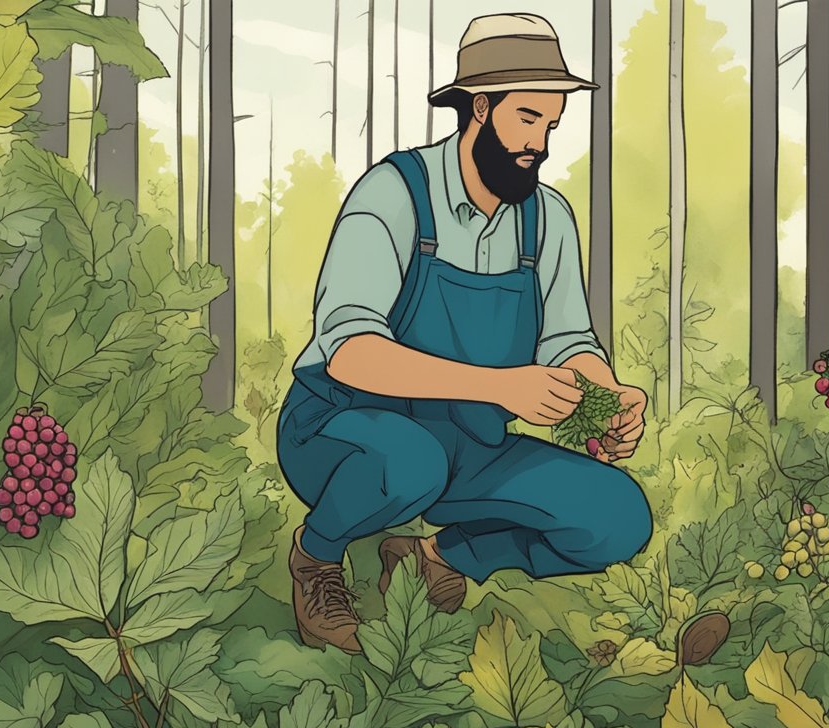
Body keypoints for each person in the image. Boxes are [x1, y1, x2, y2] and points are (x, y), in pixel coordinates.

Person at [276, 12, 728, 665]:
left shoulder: (548, 221)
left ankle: (435, 556)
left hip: (469, 443)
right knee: (409, 462)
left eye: (550, 125)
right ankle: (316, 558)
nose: (539, 143)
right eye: (526, 119)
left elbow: (569, 339)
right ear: (479, 107)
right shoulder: (396, 194)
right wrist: (497, 387)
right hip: (340, 431)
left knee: (618, 516)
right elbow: (350, 348)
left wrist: (607, 396)